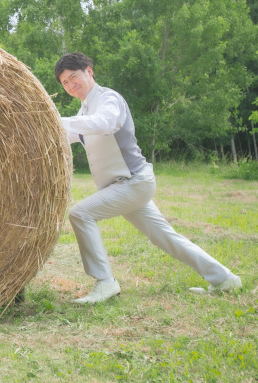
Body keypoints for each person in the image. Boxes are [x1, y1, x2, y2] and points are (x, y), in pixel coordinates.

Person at [55, 52, 241, 304]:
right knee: (165, 236)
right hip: (123, 186)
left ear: (89, 71)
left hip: (133, 182)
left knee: (80, 213)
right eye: (64, 83)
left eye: (73, 77)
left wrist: (55, 120)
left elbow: (105, 123)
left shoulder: (110, 99)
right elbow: (72, 132)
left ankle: (105, 283)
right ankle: (225, 278)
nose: (70, 85)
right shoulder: (84, 109)